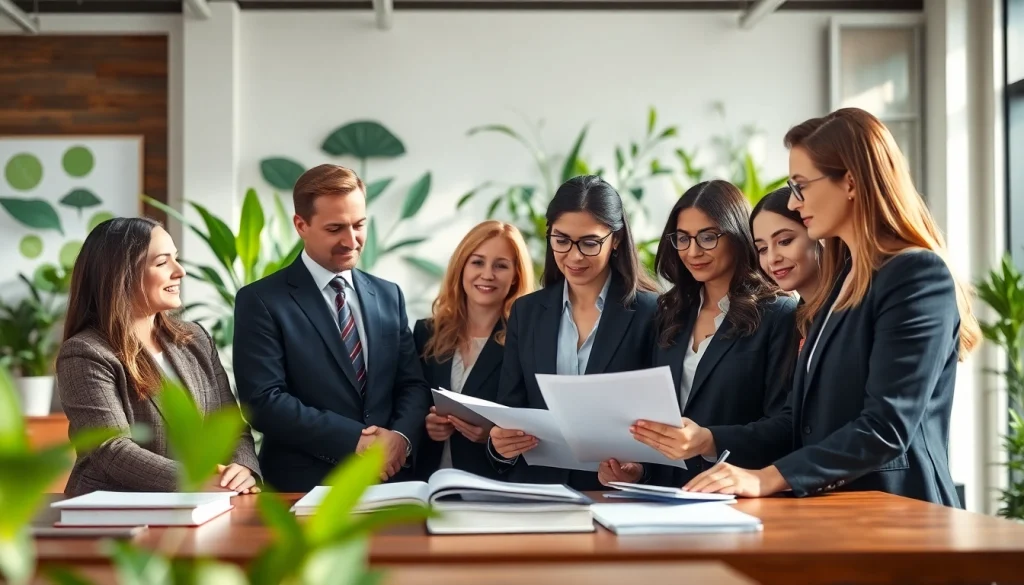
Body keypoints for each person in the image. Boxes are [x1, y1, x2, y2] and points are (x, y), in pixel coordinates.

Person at [684, 108, 981, 508]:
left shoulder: (915, 274)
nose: (794, 199)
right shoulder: (840, 285)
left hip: (902, 516)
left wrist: (767, 478)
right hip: (837, 515)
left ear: (852, 183)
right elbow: (799, 421)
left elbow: (885, 428)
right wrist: (713, 440)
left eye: (801, 185)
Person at [233, 164, 431, 492]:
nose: (351, 240)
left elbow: (411, 384)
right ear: (301, 225)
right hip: (303, 488)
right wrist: (355, 440)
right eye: (336, 228)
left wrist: (400, 439)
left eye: (359, 225)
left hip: (391, 485)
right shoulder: (262, 300)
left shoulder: (387, 294)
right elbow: (264, 402)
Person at [56, 217, 260, 497]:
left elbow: (229, 425)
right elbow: (112, 450)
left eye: (175, 259)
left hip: (205, 503)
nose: (180, 272)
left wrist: (241, 467)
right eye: (162, 263)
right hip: (114, 512)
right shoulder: (86, 353)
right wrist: (197, 479)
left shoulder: (195, 339)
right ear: (121, 274)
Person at [487, 175, 660, 490]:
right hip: (538, 492)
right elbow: (511, 410)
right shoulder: (526, 313)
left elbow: (662, 418)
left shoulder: (652, 313)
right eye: (561, 240)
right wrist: (500, 447)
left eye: (590, 243)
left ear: (617, 239)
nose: (574, 256)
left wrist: (638, 471)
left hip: (614, 493)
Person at [621, 180, 798, 487]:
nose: (693, 251)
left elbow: (785, 425)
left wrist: (710, 440)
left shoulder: (778, 313)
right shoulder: (670, 311)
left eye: (707, 237)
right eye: (683, 238)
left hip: (738, 495)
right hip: (665, 499)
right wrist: (640, 471)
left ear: (738, 236)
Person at [412, 221, 534, 480]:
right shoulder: (426, 333)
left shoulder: (526, 341)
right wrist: (427, 425)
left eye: (500, 265)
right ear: (461, 267)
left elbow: (533, 422)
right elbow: (410, 400)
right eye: (477, 262)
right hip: (427, 485)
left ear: (515, 276)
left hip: (491, 485)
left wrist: (492, 436)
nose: (487, 274)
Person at [750, 185, 824, 350]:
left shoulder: (852, 309)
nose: (772, 259)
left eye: (785, 241)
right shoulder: (794, 322)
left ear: (819, 234)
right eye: (762, 249)